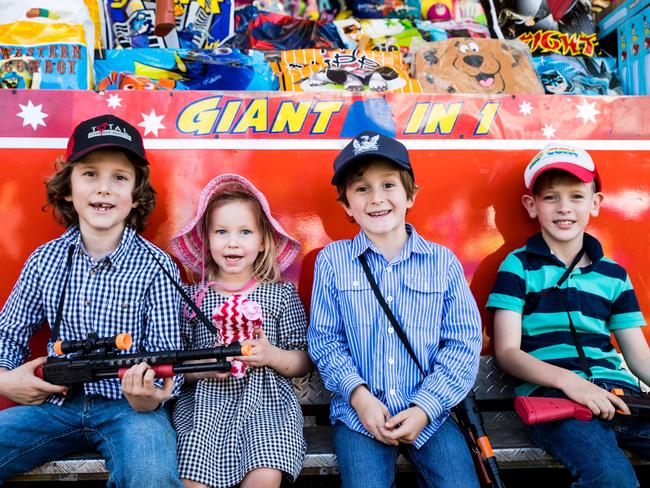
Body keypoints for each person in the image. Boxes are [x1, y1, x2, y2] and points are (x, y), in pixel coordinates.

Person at [0, 114, 184, 487]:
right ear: (67, 188)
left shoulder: (158, 266)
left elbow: (169, 358)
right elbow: (8, 334)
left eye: (119, 177)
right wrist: (5, 380)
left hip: (130, 410)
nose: (104, 189)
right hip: (55, 406)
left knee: (150, 474)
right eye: (90, 174)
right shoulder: (45, 259)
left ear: (136, 196)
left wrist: (151, 395)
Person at [307, 131, 483, 488]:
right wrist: (360, 398)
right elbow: (325, 341)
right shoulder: (333, 261)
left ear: (411, 195)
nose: (376, 199)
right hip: (359, 417)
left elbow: (464, 344)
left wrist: (425, 408)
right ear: (345, 205)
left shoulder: (442, 262)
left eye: (388, 185)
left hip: (430, 415)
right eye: (361, 189)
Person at [487, 143, 650, 487]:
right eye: (550, 198)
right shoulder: (519, 266)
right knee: (611, 479)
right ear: (531, 206)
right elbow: (507, 353)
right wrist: (569, 382)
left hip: (619, 398)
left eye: (577, 196)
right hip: (557, 403)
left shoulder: (614, 275)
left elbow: (638, 358)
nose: (564, 208)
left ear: (596, 203)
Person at [169, 173, 311, 488]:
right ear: (206, 241)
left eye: (245, 232)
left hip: (267, 410)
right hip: (204, 411)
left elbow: (303, 360)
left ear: (262, 242)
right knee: (191, 478)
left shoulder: (281, 295)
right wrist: (205, 367)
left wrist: (272, 355)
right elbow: (175, 367)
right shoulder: (192, 298)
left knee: (264, 475)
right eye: (221, 232)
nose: (233, 242)